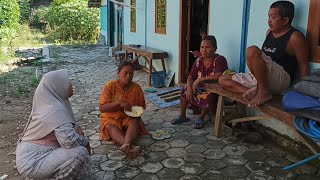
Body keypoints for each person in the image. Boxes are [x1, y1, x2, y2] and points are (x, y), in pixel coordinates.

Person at [219, 1, 309, 107]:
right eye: (269, 17)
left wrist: (304, 93)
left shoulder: (295, 37)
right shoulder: (269, 33)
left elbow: (303, 65)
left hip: (282, 79)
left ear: (285, 20)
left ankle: (262, 91)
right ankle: (255, 91)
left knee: (251, 50)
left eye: (273, 17)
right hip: (263, 79)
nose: (269, 21)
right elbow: (263, 60)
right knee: (223, 79)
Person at [16, 69, 92, 179]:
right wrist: (85, 141)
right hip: (33, 161)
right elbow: (69, 142)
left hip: (33, 155)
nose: (71, 83)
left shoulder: (51, 103)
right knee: (79, 153)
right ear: (57, 86)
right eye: (66, 80)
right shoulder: (54, 109)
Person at [171, 35, 228, 128]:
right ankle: (182, 115)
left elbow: (219, 75)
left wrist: (200, 79)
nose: (204, 50)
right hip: (200, 88)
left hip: (213, 90)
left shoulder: (220, 59)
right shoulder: (198, 61)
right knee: (184, 89)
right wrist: (189, 88)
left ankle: (201, 117)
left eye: (207, 47)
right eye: (202, 47)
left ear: (215, 48)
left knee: (210, 96)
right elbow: (190, 77)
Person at [99, 60, 148, 159]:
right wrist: (119, 103)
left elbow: (142, 106)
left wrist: (135, 110)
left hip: (128, 116)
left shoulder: (136, 88)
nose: (128, 76)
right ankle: (131, 147)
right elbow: (102, 108)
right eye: (125, 73)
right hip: (111, 117)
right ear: (118, 73)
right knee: (109, 126)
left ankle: (126, 146)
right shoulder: (110, 86)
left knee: (135, 120)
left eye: (131, 73)